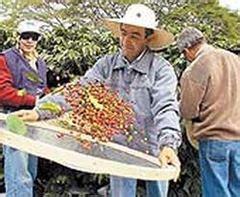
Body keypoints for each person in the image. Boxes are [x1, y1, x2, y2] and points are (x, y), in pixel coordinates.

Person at [14, 4, 181, 197]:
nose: (126, 40)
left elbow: (166, 107)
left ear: (148, 38)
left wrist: (168, 144)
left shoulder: (161, 70)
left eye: (134, 36)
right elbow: (78, 91)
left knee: (158, 191)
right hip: (120, 146)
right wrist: (40, 111)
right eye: (124, 33)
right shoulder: (107, 65)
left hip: (154, 145)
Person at [177, 27, 240, 197]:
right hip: (238, 139)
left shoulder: (195, 68)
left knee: (216, 192)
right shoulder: (235, 60)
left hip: (214, 140)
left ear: (187, 50)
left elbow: (188, 110)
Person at [0, 20, 48, 196]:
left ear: (38, 39)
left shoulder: (39, 62)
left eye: (33, 37)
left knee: (30, 168)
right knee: (18, 171)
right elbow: (3, 92)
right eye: (25, 36)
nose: (29, 40)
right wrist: (34, 100)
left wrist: (51, 101)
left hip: (33, 118)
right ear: (18, 38)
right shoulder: (5, 58)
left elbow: (42, 88)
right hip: (14, 118)